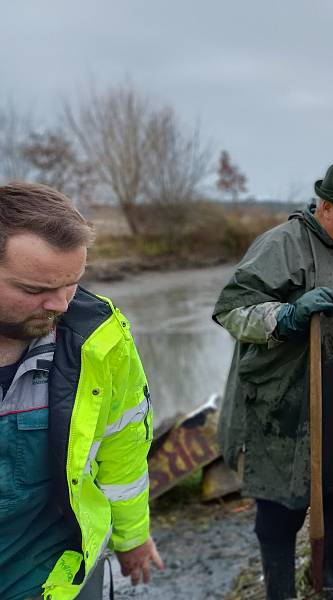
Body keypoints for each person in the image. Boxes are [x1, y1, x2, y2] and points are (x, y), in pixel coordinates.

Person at [213, 161, 333, 600]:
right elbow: (231, 309)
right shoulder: (284, 245)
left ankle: (325, 577)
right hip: (287, 406)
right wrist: (287, 316)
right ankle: (281, 592)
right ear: (326, 206)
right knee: (280, 508)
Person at [0, 183, 162, 600]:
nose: (60, 305)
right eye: (35, 290)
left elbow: (122, 448)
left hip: (59, 575)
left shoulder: (102, 340)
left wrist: (132, 536)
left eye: (71, 283)